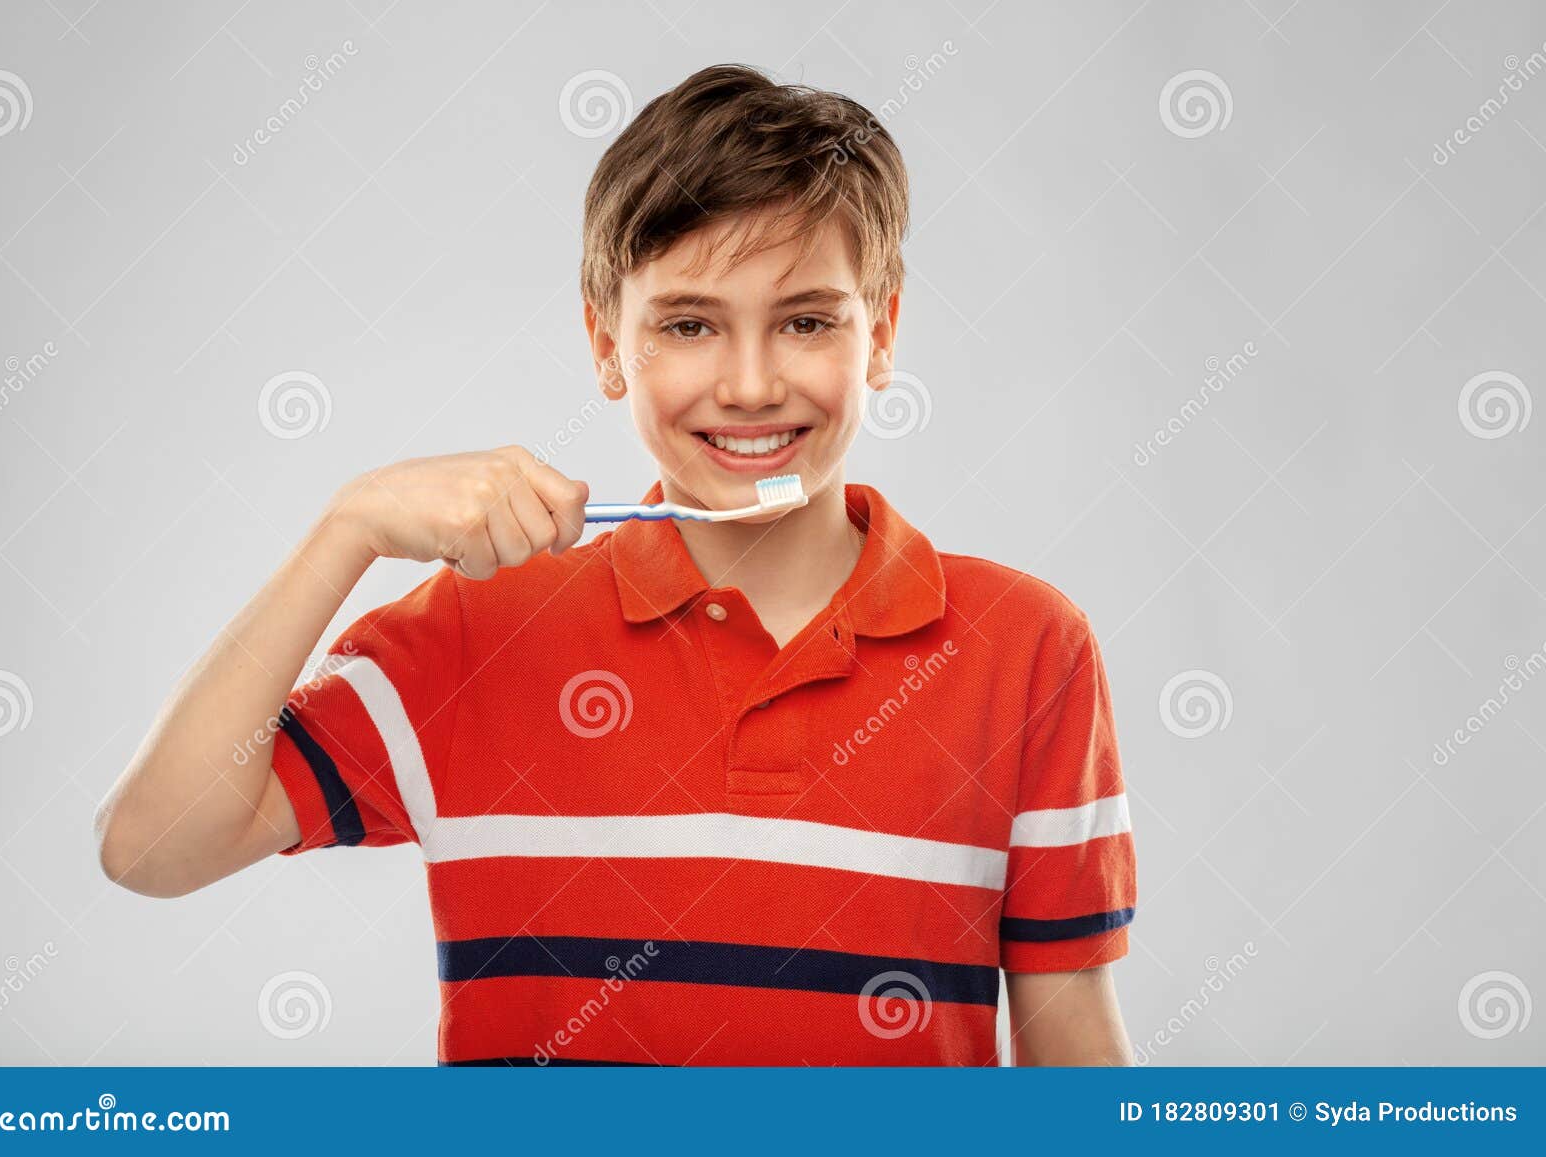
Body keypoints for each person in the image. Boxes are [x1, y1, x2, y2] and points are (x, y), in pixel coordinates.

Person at [94, 63, 1136, 1066]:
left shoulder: (1026, 647)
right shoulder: (479, 626)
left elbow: (1071, 1047)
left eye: (806, 320)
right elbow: (150, 847)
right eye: (688, 324)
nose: (749, 383)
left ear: (881, 334)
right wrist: (346, 530)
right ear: (605, 345)